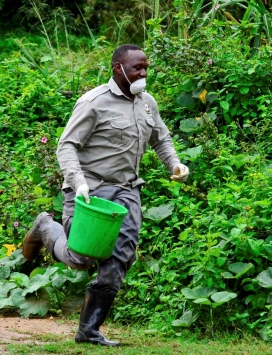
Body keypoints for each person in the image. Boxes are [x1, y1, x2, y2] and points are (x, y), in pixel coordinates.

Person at [22, 44, 189, 347]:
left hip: (126, 192)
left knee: (119, 261)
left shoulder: (147, 103)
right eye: (137, 68)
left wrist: (175, 163)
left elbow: (160, 138)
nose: (143, 73)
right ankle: (45, 228)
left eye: (145, 67)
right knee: (81, 258)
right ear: (118, 68)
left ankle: (89, 330)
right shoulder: (93, 102)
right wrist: (78, 181)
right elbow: (67, 145)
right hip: (91, 191)